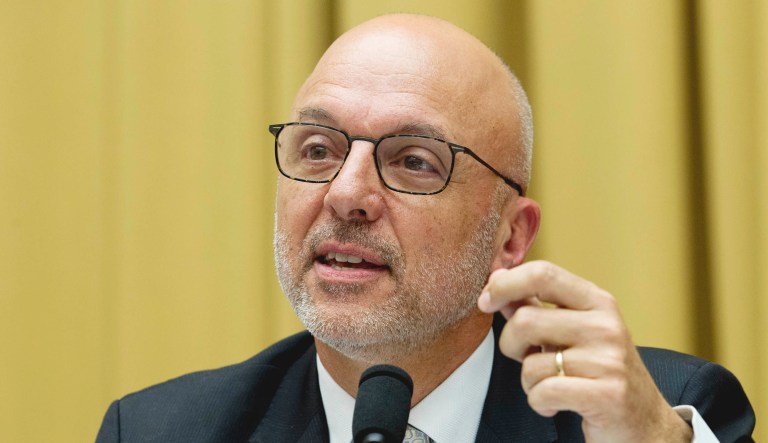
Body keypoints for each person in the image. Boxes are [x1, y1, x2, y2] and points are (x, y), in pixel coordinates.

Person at [96, 14, 755, 442]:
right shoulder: (162, 429)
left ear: (510, 236)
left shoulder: (649, 416)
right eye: (319, 149)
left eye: (413, 161)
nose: (346, 193)